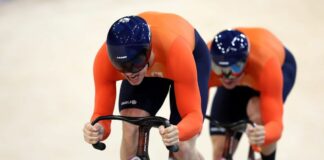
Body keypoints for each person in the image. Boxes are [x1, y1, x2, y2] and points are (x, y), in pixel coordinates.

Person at [83, 11, 211, 160]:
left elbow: (194, 117)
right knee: (131, 126)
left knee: (182, 146)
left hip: (184, 57)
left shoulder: (177, 53)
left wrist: (179, 131)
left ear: (148, 52)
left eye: (134, 65)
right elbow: (101, 116)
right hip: (151, 63)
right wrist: (97, 130)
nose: (129, 74)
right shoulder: (104, 61)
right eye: (121, 67)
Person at [207, 28, 297, 160]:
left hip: (275, 69)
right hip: (244, 76)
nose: (226, 77)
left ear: (245, 62)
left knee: (259, 114)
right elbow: (195, 105)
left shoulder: (266, 66)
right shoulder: (208, 62)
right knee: (220, 153)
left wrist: (264, 133)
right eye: (218, 68)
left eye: (234, 68)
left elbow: (275, 124)